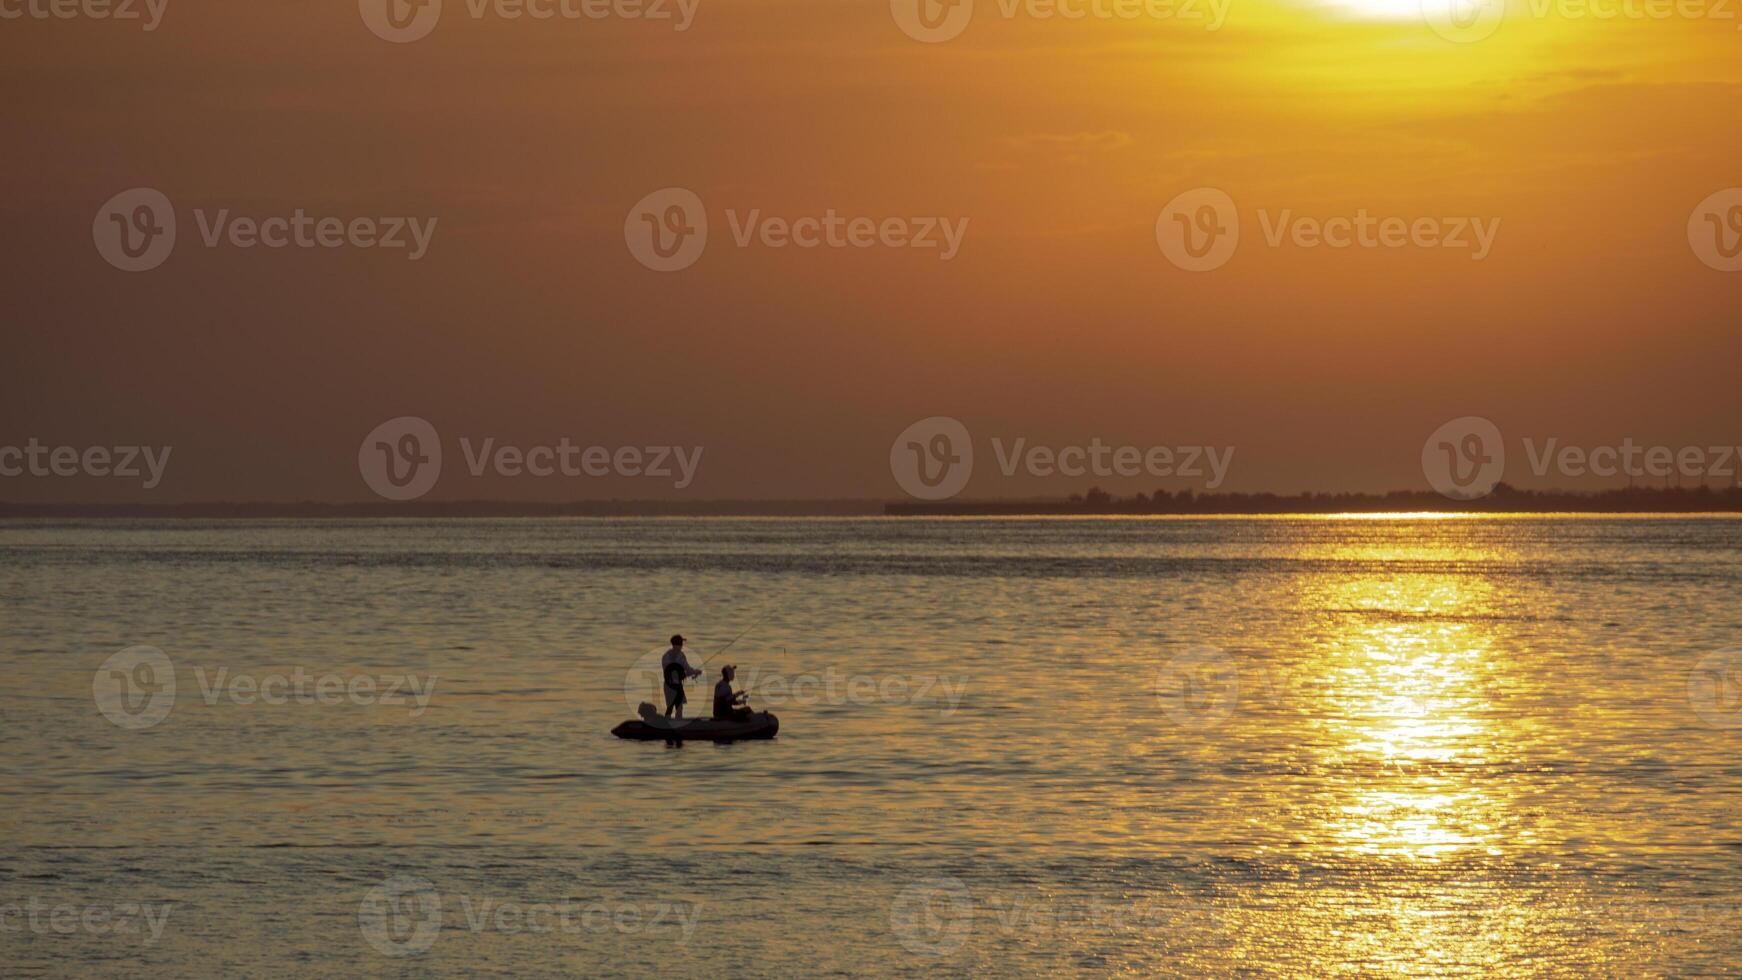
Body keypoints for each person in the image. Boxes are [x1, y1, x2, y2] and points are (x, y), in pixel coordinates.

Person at [660, 635, 701, 719]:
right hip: (677, 686)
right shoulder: (681, 656)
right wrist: (696, 672)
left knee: (670, 706)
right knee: (679, 708)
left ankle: (666, 724)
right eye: (681, 643)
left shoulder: (665, 656)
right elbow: (688, 670)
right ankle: (678, 724)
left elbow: (671, 672)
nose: (682, 645)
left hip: (667, 684)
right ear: (679, 644)